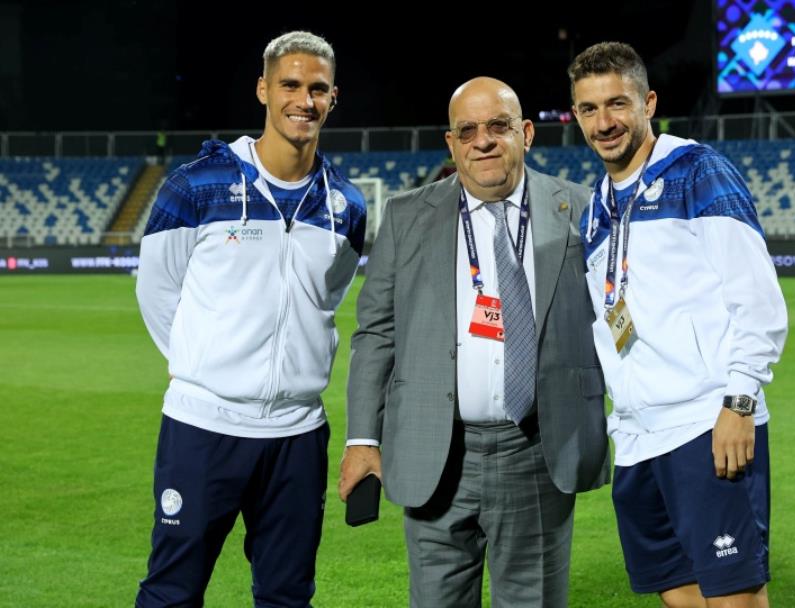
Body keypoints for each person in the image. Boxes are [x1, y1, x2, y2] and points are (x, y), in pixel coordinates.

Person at [339, 76, 609, 607]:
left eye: (497, 126)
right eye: (467, 131)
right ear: (451, 142)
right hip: (434, 450)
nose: (482, 141)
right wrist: (362, 440)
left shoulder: (582, 208)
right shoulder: (406, 215)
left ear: (526, 133)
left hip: (537, 451)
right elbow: (376, 333)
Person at [134, 31, 365, 607]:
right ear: (264, 89)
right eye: (290, 85)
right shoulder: (196, 184)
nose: (304, 100)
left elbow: (325, 299)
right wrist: (201, 365)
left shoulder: (347, 205)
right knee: (172, 592)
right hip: (203, 427)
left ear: (333, 97)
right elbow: (157, 290)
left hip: (297, 434)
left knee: (287, 596)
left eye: (318, 89)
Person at [568, 42, 787, 608]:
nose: (604, 122)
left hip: (705, 421)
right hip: (637, 435)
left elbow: (757, 298)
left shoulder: (698, 171)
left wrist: (739, 402)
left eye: (617, 104)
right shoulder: (596, 208)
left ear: (649, 103)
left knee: (734, 594)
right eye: (589, 109)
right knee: (676, 590)